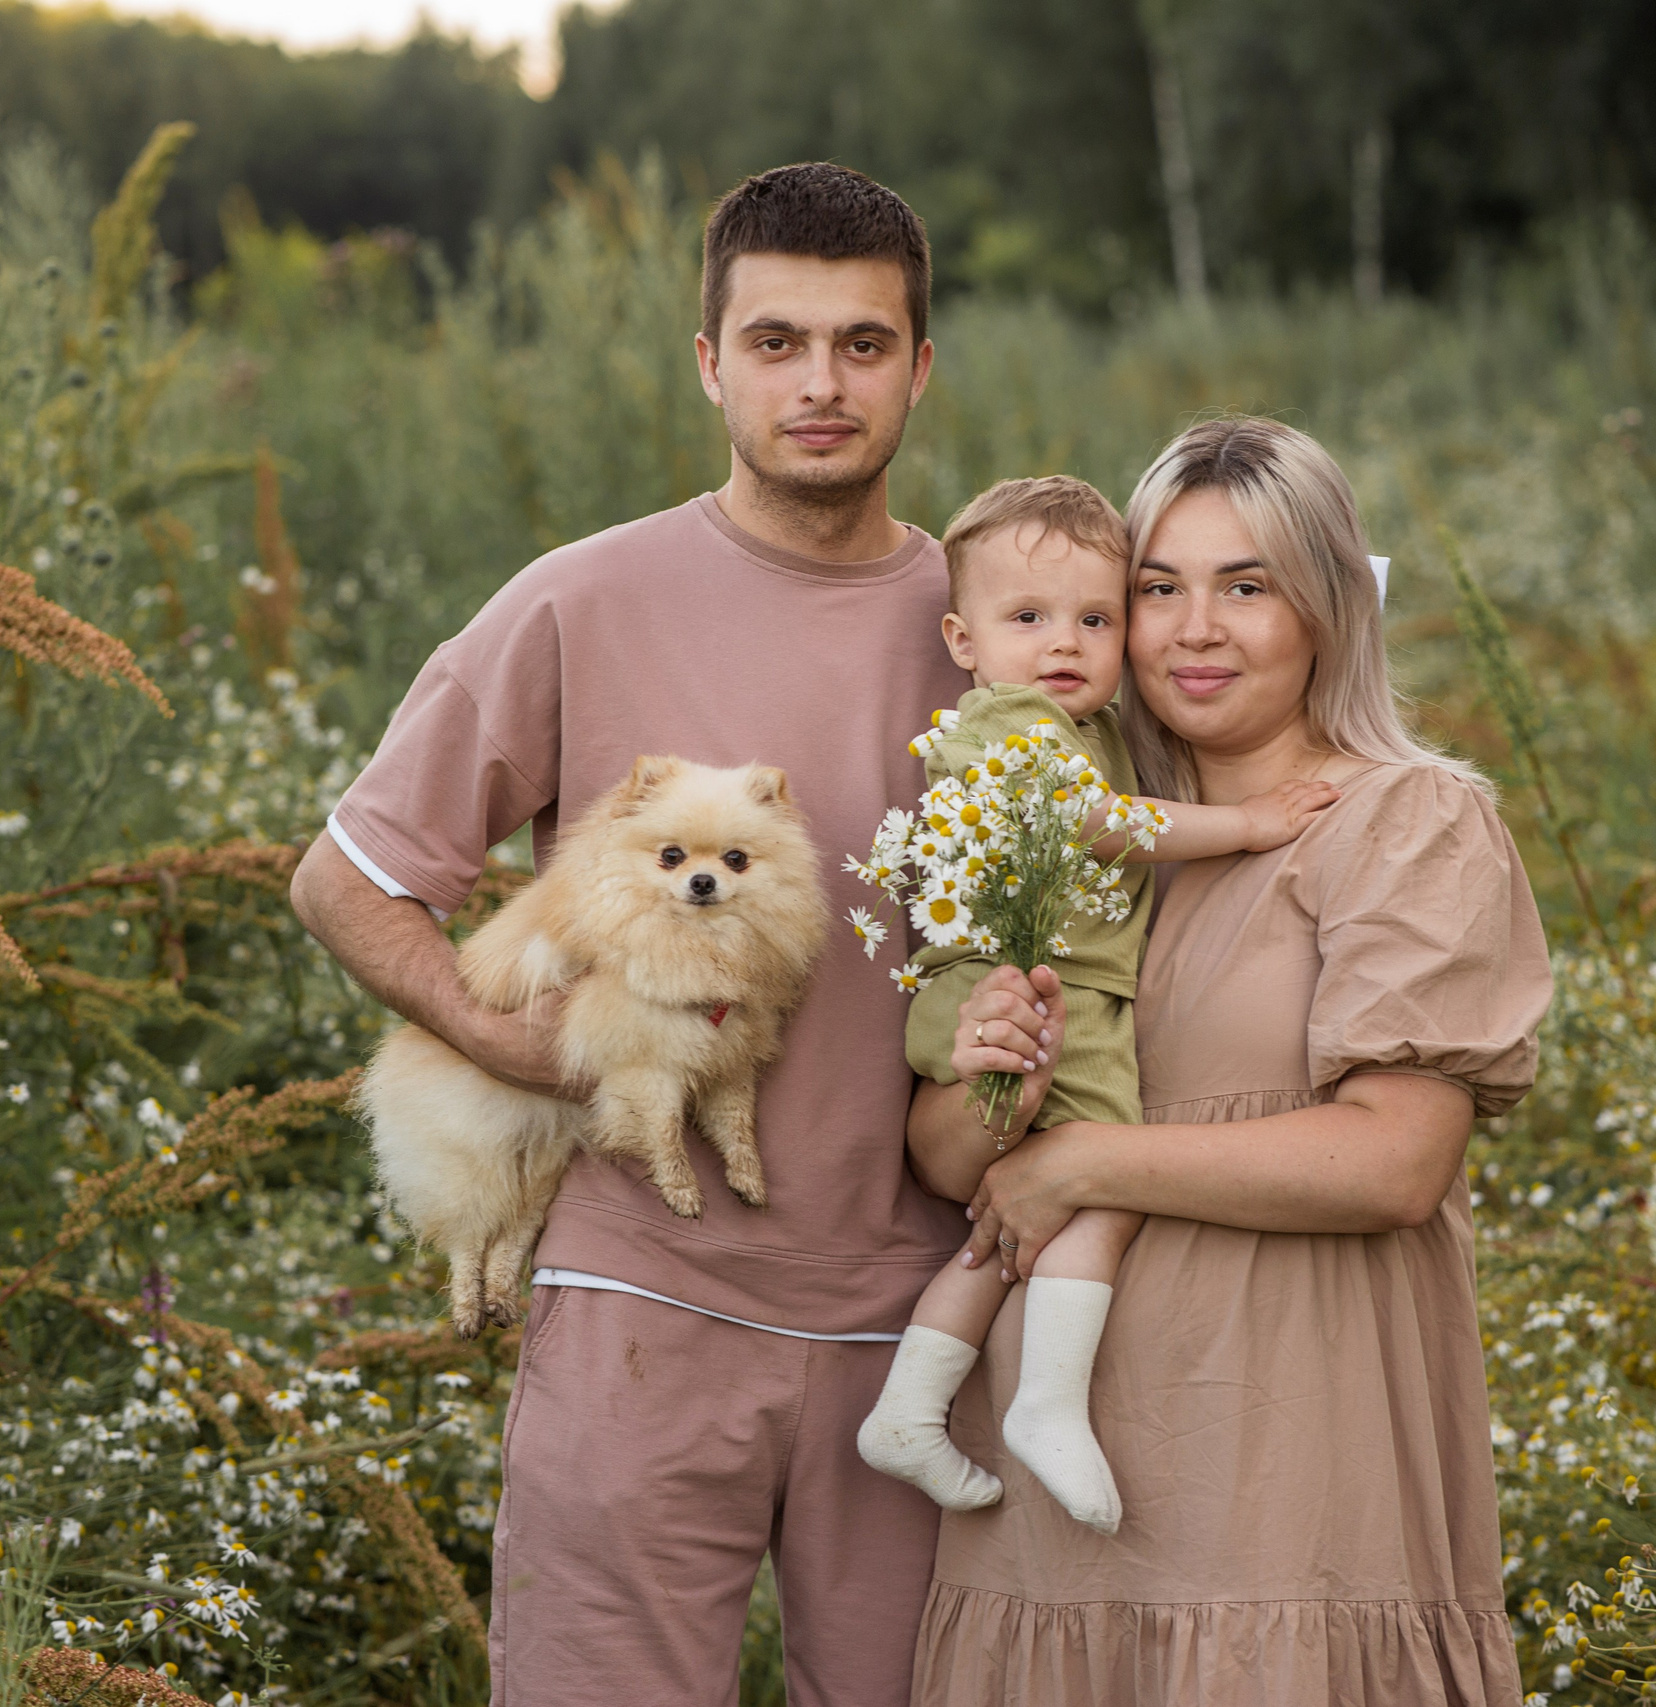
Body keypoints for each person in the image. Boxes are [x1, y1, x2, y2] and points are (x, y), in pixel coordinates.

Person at [288, 163, 969, 1707]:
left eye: (863, 344)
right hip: (642, 1302)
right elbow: (347, 879)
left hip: (926, 1322)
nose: (820, 382)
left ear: (920, 367)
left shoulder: (992, 627)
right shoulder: (581, 601)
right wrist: (519, 1042)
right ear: (711, 362)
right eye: (778, 341)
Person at [906, 416, 1554, 1704]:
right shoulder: (1082, 835)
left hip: (1282, 1476)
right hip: (1047, 1506)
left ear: (1327, 609)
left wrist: (1082, 1160)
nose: (1194, 630)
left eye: (1246, 587)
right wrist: (995, 1079)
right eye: (1158, 589)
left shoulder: (1404, 820)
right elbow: (947, 1162)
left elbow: (1393, 1162)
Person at [852, 474, 1337, 1533]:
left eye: (1095, 619)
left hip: (1051, 991)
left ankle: (910, 1408)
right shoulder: (1005, 721)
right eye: (1027, 618)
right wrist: (1249, 824)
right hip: (1023, 991)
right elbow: (1095, 823)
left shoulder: (1094, 726)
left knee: (1015, 1218)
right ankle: (1046, 1402)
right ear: (962, 638)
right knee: (1111, 1182)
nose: (1063, 643)